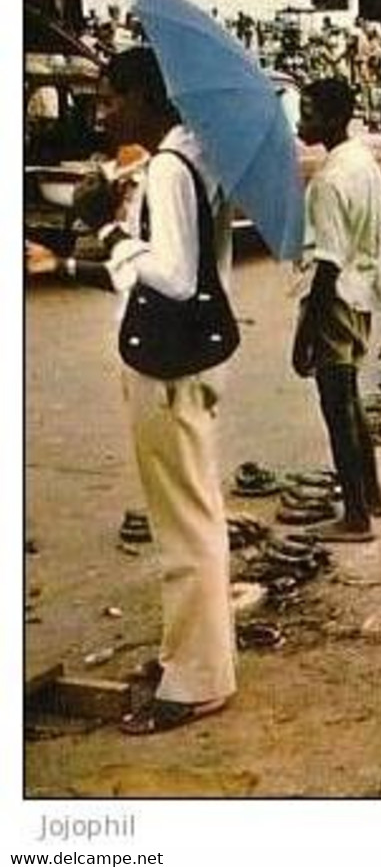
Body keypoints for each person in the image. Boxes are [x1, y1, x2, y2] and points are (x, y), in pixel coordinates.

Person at [26, 46, 239, 734]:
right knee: (190, 515)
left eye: (112, 96)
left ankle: (198, 681)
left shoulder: (173, 168)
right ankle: (188, 656)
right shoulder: (191, 156)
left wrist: (107, 226)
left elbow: (173, 277)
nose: (103, 109)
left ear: (148, 97)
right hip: (189, 359)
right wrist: (91, 252)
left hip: (170, 367)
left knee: (185, 527)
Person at [291, 78, 381, 542]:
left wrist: (305, 333)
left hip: (335, 299)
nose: (299, 119)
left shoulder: (330, 179)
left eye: (307, 111)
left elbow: (327, 261)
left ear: (333, 117)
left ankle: (355, 516)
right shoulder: (362, 161)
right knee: (350, 399)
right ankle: (371, 492)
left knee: (337, 406)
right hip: (364, 291)